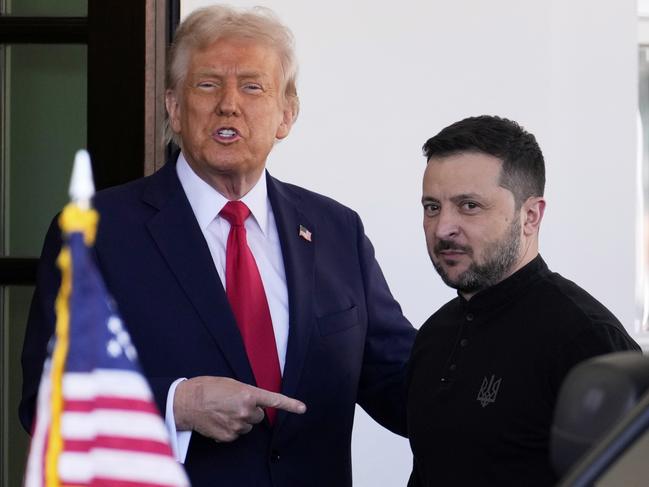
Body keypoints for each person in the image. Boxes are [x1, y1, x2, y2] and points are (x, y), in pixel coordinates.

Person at [20, 5, 416, 486]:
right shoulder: (98, 232)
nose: (229, 104)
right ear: (173, 107)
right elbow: (47, 401)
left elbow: (403, 386)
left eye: (252, 86)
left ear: (286, 113)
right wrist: (177, 405)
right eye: (207, 84)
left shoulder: (337, 230)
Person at [406, 115, 641, 487]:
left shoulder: (585, 339)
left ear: (530, 215)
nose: (443, 227)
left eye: (469, 206)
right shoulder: (435, 333)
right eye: (432, 206)